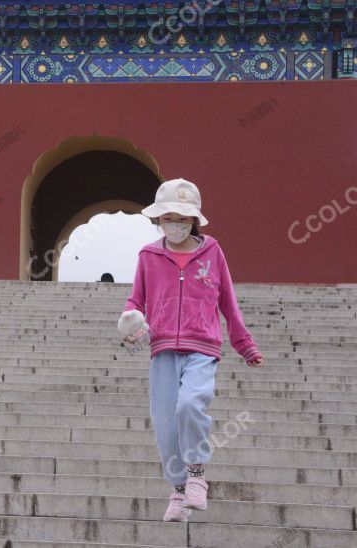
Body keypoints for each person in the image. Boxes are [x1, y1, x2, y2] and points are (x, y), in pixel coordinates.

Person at [117, 178, 265, 523]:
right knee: (165, 423)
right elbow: (134, 301)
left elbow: (228, 301)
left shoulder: (212, 252)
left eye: (182, 218)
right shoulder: (149, 256)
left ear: (194, 220)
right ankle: (179, 489)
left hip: (203, 347)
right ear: (158, 220)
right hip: (163, 348)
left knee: (189, 406)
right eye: (168, 217)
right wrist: (130, 325)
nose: (175, 224)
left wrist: (245, 345)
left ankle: (196, 473)